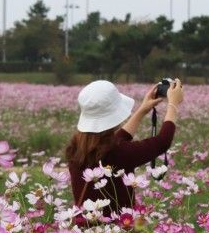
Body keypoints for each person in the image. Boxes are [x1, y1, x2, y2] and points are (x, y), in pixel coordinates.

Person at [66, 78, 184, 217]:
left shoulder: (76, 148)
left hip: (85, 231)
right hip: (115, 232)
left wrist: (142, 111)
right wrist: (173, 105)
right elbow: (162, 141)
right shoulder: (119, 153)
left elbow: (117, 140)